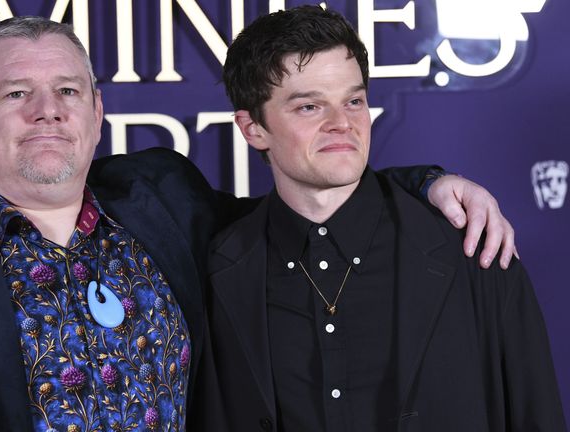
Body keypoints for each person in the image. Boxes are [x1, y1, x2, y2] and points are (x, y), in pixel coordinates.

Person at [0, 15, 515, 432]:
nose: (47, 110)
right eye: (17, 92)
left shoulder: (165, 201)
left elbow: (308, 204)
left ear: (96, 110)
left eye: (68, 90)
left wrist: (427, 183)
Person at [198, 5, 566, 431]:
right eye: (309, 108)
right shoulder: (218, 271)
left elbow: (536, 415)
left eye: (353, 101)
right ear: (252, 128)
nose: (342, 124)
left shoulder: (474, 247)